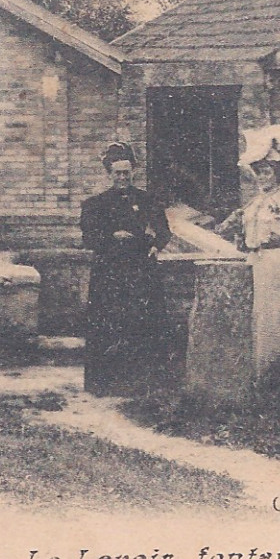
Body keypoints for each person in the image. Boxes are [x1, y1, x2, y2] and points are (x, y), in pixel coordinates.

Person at [79, 141, 172, 396]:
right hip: (109, 271)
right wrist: (111, 236)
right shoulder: (94, 204)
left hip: (140, 269)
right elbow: (89, 238)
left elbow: (164, 231)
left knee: (142, 323)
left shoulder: (146, 199)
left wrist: (156, 246)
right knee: (108, 323)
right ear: (109, 174)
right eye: (117, 173)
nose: (122, 177)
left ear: (133, 173)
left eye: (126, 173)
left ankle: (141, 383)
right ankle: (106, 384)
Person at [218, 157, 280, 385]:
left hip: (276, 262)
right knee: (257, 317)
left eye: (267, 173)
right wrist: (238, 231)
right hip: (256, 261)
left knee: (274, 319)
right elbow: (248, 237)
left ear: (278, 174)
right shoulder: (255, 202)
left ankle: (274, 375)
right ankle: (259, 371)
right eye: (259, 173)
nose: (262, 178)